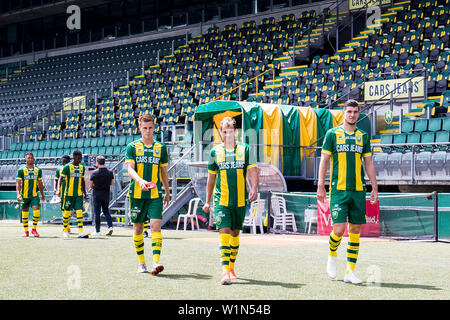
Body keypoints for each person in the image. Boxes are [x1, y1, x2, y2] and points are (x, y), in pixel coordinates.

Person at [317, 99, 378, 285]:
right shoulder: (332, 134)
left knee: (355, 230)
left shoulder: (364, 136)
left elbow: (368, 163)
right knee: (338, 229)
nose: (352, 114)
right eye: (349, 111)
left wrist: (374, 187)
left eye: (355, 112)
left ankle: (350, 272)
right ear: (343, 112)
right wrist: (321, 185)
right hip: (338, 190)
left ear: (359, 114)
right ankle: (332, 255)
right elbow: (324, 160)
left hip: (358, 190)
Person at [202, 116, 258, 285]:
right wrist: (207, 201)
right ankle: (225, 271)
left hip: (240, 201)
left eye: (230, 131)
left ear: (236, 132)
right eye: (224, 132)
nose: (227, 134)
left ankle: (231, 267)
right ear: (221, 133)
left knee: (234, 234)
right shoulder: (214, 152)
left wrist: (254, 188)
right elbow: (211, 179)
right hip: (221, 200)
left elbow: (253, 170)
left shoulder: (246, 149)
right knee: (224, 232)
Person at [125, 114, 170, 275]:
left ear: (154, 127)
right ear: (140, 128)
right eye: (145, 128)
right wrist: (140, 180)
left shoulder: (161, 147)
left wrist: (167, 190)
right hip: (137, 194)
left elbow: (164, 170)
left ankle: (156, 262)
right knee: (137, 229)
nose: (148, 131)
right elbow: (130, 168)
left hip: (155, 195)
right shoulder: (132, 147)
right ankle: (141, 262)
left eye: (150, 128)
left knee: (155, 226)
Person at [59, 150, 88, 238]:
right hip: (68, 194)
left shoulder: (82, 168)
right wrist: (58, 190)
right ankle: (65, 230)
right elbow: (60, 178)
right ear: (74, 157)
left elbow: (82, 181)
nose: (80, 160)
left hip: (78, 194)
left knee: (79, 212)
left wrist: (84, 192)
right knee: (67, 213)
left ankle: (80, 232)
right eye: (78, 158)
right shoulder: (67, 167)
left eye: (81, 158)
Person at [16, 152, 45, 237]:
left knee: (36, 210)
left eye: (31, 158)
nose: (30, 159)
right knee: (24, 213)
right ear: (25, 159)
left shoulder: (38, 170)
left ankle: (34, 229)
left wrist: (42, 194)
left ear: (34, 159)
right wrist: (18, 194)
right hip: (24, 196)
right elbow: (18, 183)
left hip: (34, 195)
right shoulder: (21, 170)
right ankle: (26, 231)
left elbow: (40, 183)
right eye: (28, 158)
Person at [89, 155, 115, 236]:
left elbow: (90, 185)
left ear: (97, 162)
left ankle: (97, 231)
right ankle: (110, 227)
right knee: (106, 211)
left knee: (97, 212)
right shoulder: (110, 172)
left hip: (97, 194)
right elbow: (112, 183)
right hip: (106, 194)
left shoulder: (94, 173)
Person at [54, 155, 71, 231]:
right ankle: (66, 226)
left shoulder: (72, 168)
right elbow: (56, 180)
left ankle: (66, 226)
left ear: (68, 161)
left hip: (70, 192)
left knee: (68, 208)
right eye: (62, 161)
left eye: (65, 161)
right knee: (63, 209)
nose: (63, 162)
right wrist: (55, 189)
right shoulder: (59, 169)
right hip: (62, 192)